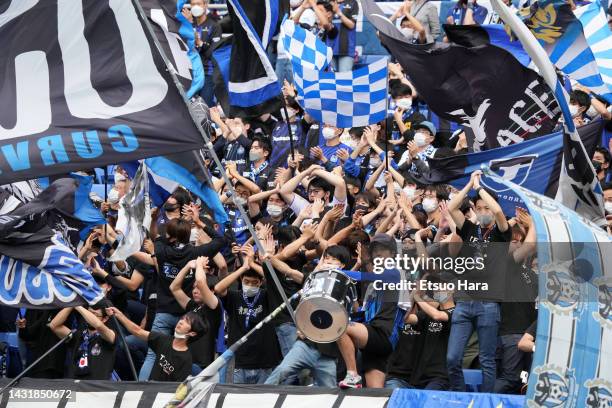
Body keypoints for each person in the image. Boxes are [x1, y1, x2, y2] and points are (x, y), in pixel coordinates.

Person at [446, 170, 512, 393]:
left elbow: (499, 211)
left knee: (487, 360)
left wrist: (480, 187)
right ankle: (461, 396)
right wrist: (468, 185)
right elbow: (452, 208)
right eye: (479, 208)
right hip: (464, 302)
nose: (484, 212)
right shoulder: (469, 229)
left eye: (486, 208)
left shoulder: (502, 233)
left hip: (489, 304)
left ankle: (485, 402)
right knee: (452, 358)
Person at [337, 235, 406, 388]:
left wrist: (338, 272)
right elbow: (363, 312)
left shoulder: (394, 273)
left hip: (383, 333)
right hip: (371, 338)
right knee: (375, 395)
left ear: (392, 254)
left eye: (383, 250)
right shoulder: (372, 287)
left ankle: (352, 375)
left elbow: (367, 276)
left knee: (340, 328)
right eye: (375, 251)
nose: (378, 253)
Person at [214, 244, 282, 384]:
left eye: (254, 283)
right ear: (241, 280)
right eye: (246, 282)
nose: (250, 285)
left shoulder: (267, 296)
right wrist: (244, 268)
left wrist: (252, 263)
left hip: (265, 362)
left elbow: (275, 281)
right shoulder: (234, 297)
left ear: (260, 282)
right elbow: (218, 288)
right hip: (240, 361)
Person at [107, 307, 207, 382]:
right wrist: (119, 314)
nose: (181, 322)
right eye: (183, 319)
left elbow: (178, 388)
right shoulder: (163, 339)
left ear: (192, 333)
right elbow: (137, 331)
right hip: (150, 391)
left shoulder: (186, 359)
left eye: (187, 322)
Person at [170, 256, 222, 374]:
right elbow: (174, 288)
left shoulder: (214, 306)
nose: (195, 291)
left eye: (199, 288)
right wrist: (188, 266)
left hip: (200, 365)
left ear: (211, 291)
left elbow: (200, 281)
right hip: (184, 359)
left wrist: (199, 265)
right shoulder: (193, 306)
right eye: (193, 288)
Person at [48, 306, 117, 380]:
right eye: (89, 313)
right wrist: (72, 304)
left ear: (105, 319)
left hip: (96, 387)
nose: (89, 316)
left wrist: (78, 306)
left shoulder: (110, 334)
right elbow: (54, 326)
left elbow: (98, 325)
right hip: (73, 385)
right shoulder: (78, 335)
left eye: (95, 314)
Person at [183, 0, 222, 106]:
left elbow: (214, 53)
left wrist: (200, 43)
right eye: (193, 4)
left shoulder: (214, 26)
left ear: (205, 5)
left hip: (207, 74)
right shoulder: (188, 23)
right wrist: (188, 25)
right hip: (190, 73)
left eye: (198, 4)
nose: (195, 6)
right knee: (189, 107)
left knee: (207, 108)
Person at [325, 0, 359, 72]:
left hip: (346, 50)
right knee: (330, 80)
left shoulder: (352, 3)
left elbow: (351, 25)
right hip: (329, 49)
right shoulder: (328, 2)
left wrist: (338, 12)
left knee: (344, 80)